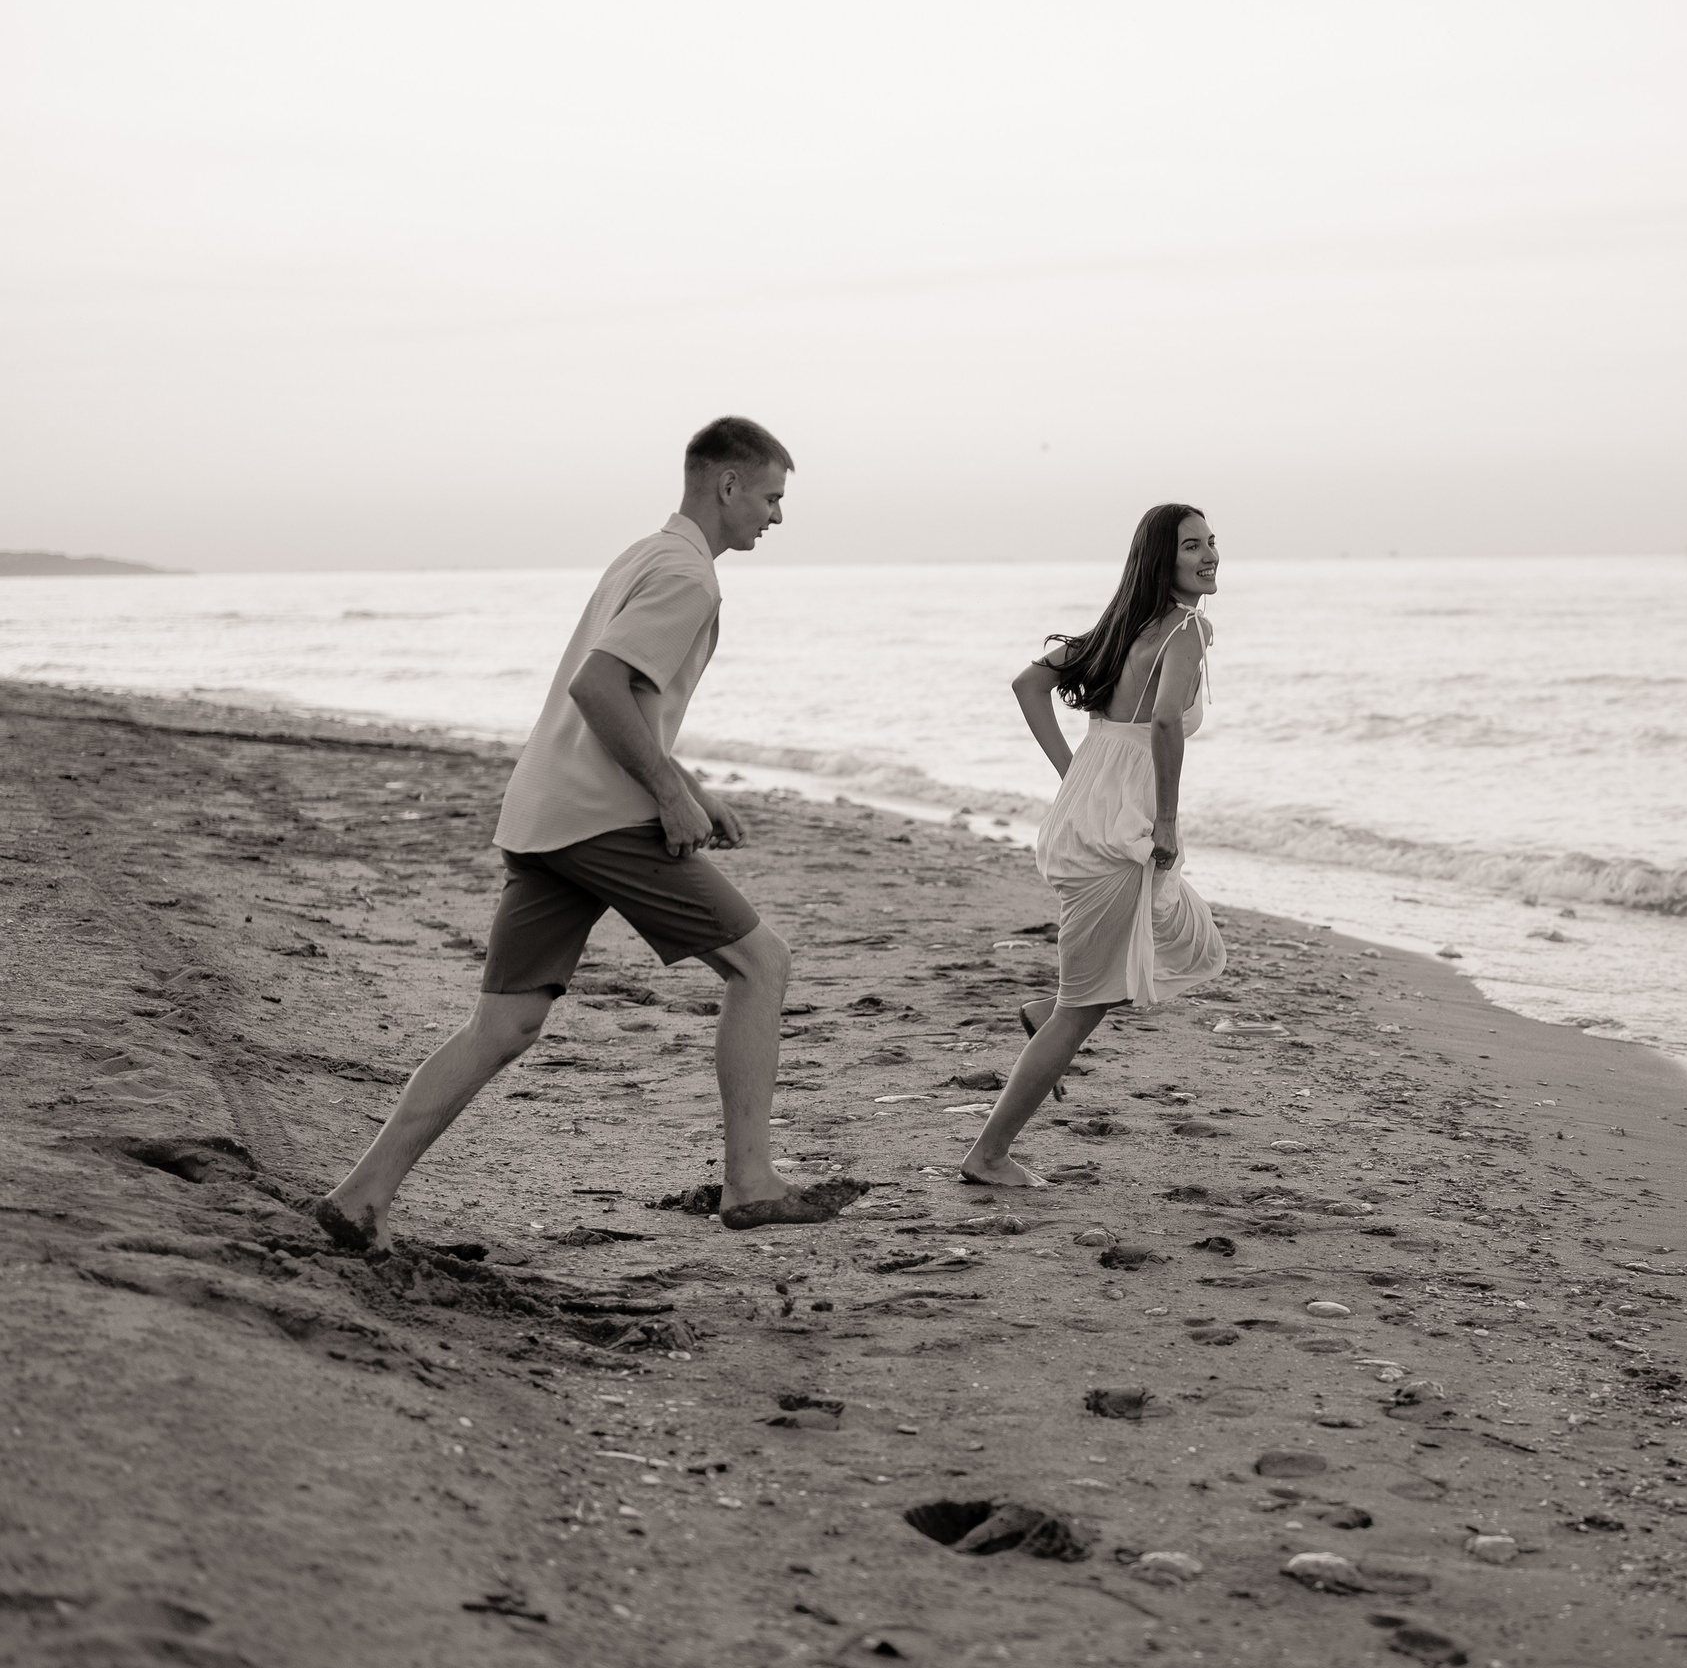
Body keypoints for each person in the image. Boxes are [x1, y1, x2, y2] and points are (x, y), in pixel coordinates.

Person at [314, 417, 852, 1249]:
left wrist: (694, 787)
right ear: (728, 485)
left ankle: (359, 1194)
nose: (777, 516)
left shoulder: (645, 554)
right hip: (601, 819)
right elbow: (599, 689)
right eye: (773, 497)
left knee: (504, 1026)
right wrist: (669, 797)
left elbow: (626, 695)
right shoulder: (687, 576)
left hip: (546, 812)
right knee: (761, 962)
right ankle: (750, 1181)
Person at [960, 504, 1229, 1187]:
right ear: (1162, 561)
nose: (1209, 555)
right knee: (1088, 1000)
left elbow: (1030, 684)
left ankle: (1041, 1013)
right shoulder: (1185, 631)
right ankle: (988, 1154)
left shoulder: (1124, 627)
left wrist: (1075, 772)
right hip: (1122, 830)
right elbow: (1166, 720)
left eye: (1211, 542)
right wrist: (1165, 822)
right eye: (1192, 546)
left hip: (1095, 816)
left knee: (1181, 941)